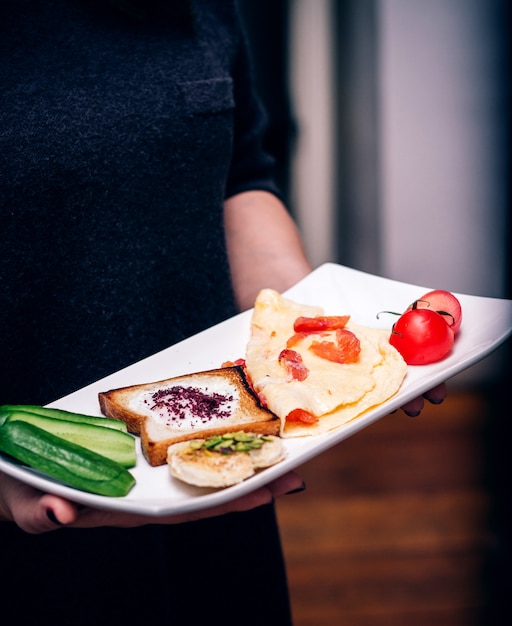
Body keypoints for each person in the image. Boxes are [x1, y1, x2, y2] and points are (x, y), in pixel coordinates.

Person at [0, 1, 445, 624]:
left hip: (222, 457)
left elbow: (241, 176)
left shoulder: (205, 8)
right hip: (42, 489)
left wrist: (311, 350)